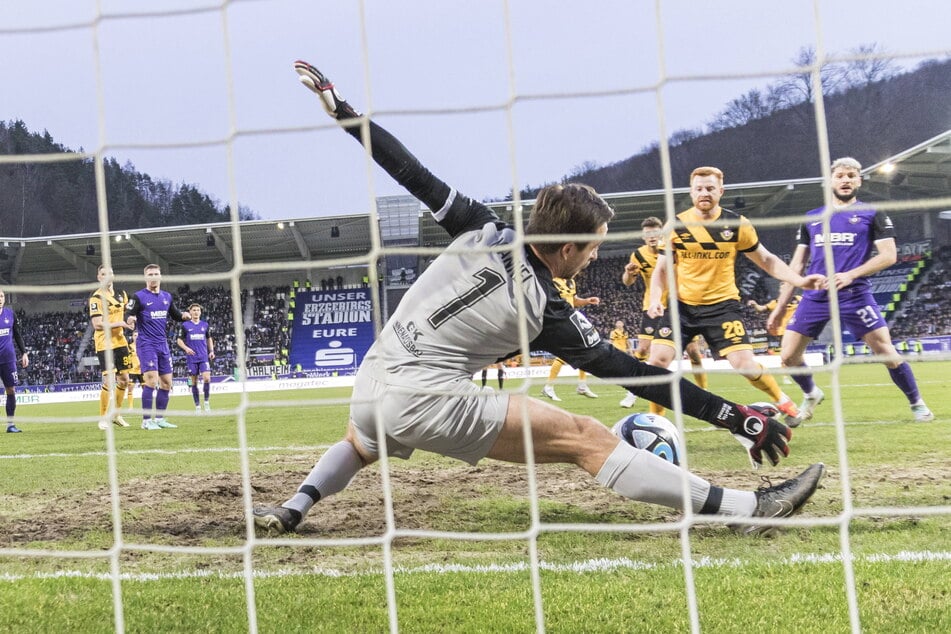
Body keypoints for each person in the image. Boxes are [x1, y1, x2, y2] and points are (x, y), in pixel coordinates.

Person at [251, 60, 826, 537]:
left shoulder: (483, 227)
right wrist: (736, 418)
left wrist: (345, 113)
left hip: (373, 379)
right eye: (592, 248)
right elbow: (635, 374)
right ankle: (749, 509)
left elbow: (414, 173)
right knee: (587, 438)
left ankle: (294, 508)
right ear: (568, 246)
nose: (595, 258)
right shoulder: (544, 307)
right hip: (424, 396)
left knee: (360, 441)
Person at [647, 167, 826, 428]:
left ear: (721, 191)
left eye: (710, 188)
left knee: (745, 365)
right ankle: (657, 424)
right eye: (699, 188)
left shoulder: (737, 225)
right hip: (681, 307)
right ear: (691, 192)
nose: (704, 193)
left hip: (722, 307)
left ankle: (781, 400)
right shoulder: (675, 226)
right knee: (656, 363)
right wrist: (655, 299)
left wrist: (798, 280)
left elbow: (766, 259)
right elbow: (660, 270)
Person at [769, 157, 934, 423]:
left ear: (859, 181)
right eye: (840, 175)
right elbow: (796, 265)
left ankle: (917, 403)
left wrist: (851, 274)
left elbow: (889, 255)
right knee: (788, 355)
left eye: (851, 176)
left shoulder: (872, 213)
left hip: (854, 294)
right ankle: (811, 393)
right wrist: (779, 308)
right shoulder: (812, 218)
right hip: (816, 295)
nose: (845, 180)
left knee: (885, 351)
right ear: (830, 180)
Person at [623, 216, 708, 411]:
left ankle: (703, 391)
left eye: (655, 233)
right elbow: (628, 282)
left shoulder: (675, 249)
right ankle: (633, 391)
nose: (652, 237)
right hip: (653, 307)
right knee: (643, 349)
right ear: (643, 237)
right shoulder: (638, 255)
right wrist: (628, 272)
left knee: (694, 353)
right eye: (648, 234)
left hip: (679, 307)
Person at [125, 264, 189, 430]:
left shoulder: (166, 297)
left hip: (163, 344)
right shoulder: (138, 297)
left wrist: (184, 316)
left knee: (167, 383)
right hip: (146, 344)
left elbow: (175, 315)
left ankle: (159, 418)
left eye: (156, 274)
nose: (153, 277)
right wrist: (130, 319)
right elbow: (129, 312)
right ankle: (146, 421)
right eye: (150, 274)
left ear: (160, 277)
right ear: (146, 277)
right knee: (151, 381)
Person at [88, 264, 133, 431]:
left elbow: (128, 314)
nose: (107, 276)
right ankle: (103, 418)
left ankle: (116, 415)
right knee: (109, 380)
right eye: (103, 273)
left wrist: (130, 320)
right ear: (99, 277)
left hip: (120, 342)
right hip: (104, 343)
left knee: (125, 380)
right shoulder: (96, 299)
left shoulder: (122, 295)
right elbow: (97, 324)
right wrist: (119, 323)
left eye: (110, 273)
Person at [541, 276, 600, 400]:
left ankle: (581, 385)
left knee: (585, 349)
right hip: (558, 320)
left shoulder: (570, 281)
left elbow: (574, 300)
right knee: (567, 354)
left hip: (570, 319)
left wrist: (587, 301)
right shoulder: (552, 280)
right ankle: (549, 387)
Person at [176, 303, 215, 413]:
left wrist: (211, 351)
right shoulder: (185, 325)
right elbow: (179, 340)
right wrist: (186, 348)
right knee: (194, 382)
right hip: (192, 358)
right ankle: (197, 406)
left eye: (198, 310)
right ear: (190, 312)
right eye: (194, 310)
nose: (196, 312)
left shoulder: (205, 325)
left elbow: (209, 339)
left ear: (200, 312)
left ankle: (206, 402)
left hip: (203, 357)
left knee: (207, 378)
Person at [0, 289, 29, 433]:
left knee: (11, 390)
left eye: (1, 296)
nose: (0, 298)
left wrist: (24, 353)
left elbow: (17, 335)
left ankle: (10, 424)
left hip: (8, 359)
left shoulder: (10, 314)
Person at [125, 330, 143, 413]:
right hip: (132, 371)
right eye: (135, 335)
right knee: (130, 389)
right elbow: (127, 359)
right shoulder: (129, 347)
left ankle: (146, 406)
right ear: (132, 337)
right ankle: (131, 407)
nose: (136, 337)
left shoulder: (143, 346)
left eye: (138, 335)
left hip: (142, 370)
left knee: (146, 389)